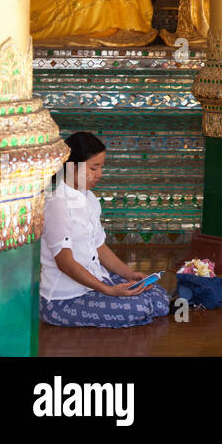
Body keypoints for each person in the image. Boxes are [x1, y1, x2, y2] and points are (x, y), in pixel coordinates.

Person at [39, 131, 171, 328]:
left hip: (94, 283)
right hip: (64, 300)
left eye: (101, 167)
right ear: (72, 166)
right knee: (141, 307)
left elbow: (99, 247)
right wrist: (109, 291)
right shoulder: (57, 203)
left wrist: (129, 274)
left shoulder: (88, 198)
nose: (99, 174)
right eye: (94, 167)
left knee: (159, 297)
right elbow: (65, 263)